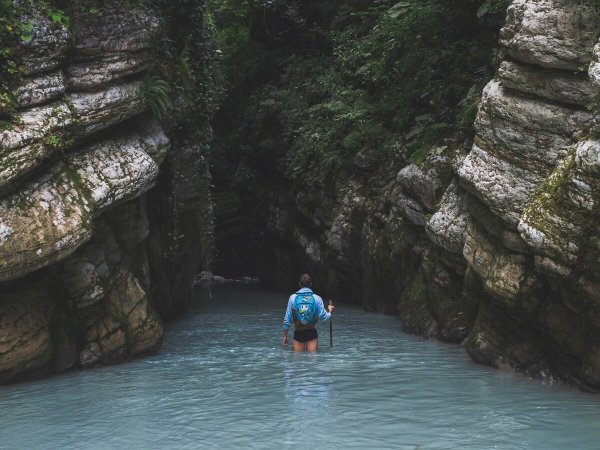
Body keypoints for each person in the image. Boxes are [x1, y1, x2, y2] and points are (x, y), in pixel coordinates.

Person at [282, 273, 334, 352]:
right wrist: (330, 311)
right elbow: (324, 317)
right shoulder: (317, 298)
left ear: (299, 284)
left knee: (298, 361)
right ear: (311, 284)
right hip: (311, 332)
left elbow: (287, 319)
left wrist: (285, 336)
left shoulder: (293, 298)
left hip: (298, 332)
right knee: (312, 360)